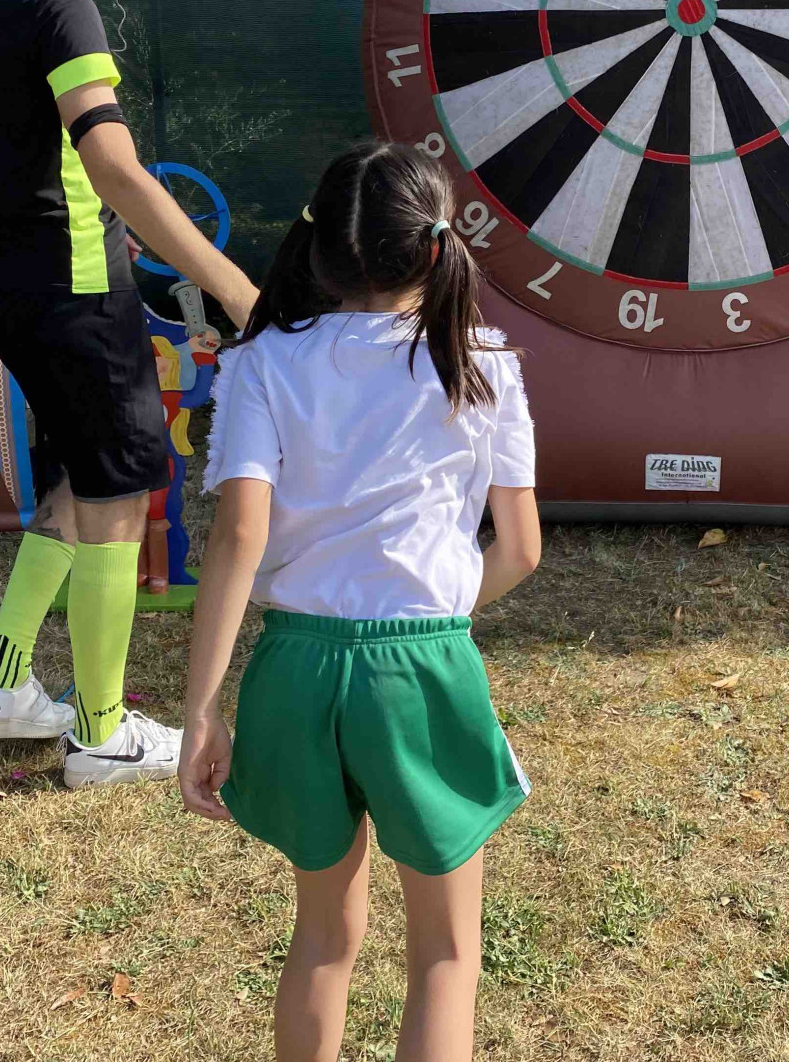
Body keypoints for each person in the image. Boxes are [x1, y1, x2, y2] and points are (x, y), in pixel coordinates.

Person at [178, 142, 541, 1062]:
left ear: (318, 247)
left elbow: (239, 535)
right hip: (423, 665)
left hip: (294, 667)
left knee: (324, 939)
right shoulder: (485, 360)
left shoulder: (263, 362)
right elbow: (523, 547)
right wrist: (442, 616)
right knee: (447, 955)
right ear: (434, 248)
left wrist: (200, 707)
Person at [0, 0, 259, 789]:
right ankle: (104, 734)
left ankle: (2, 689)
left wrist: (31, 205)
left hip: (10, 287)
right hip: (76, 294)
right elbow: (113, 168)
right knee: (118, 495)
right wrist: (231, 284)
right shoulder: (62, 9)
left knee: (79, 482)